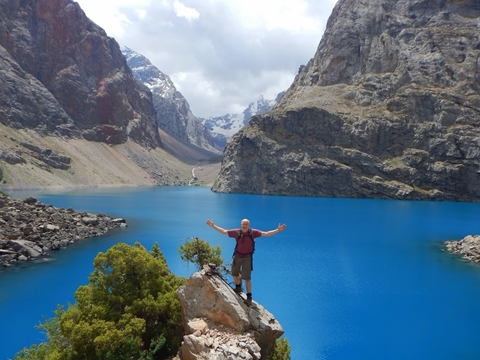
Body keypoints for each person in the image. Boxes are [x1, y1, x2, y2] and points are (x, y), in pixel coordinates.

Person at [206, 218, 286, 305]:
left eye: (246, 224)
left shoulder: (253, 233)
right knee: (234, 273)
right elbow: (224, 231)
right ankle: (238, 287)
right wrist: (213, 226)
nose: (244, 226)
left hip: (247, 258)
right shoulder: (237, 232)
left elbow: (266, 234)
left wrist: (277, 230)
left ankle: (249, 297)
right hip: (237, 256)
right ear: (241, 225)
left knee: (247, 278)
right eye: (243, 224)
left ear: (249, 225)